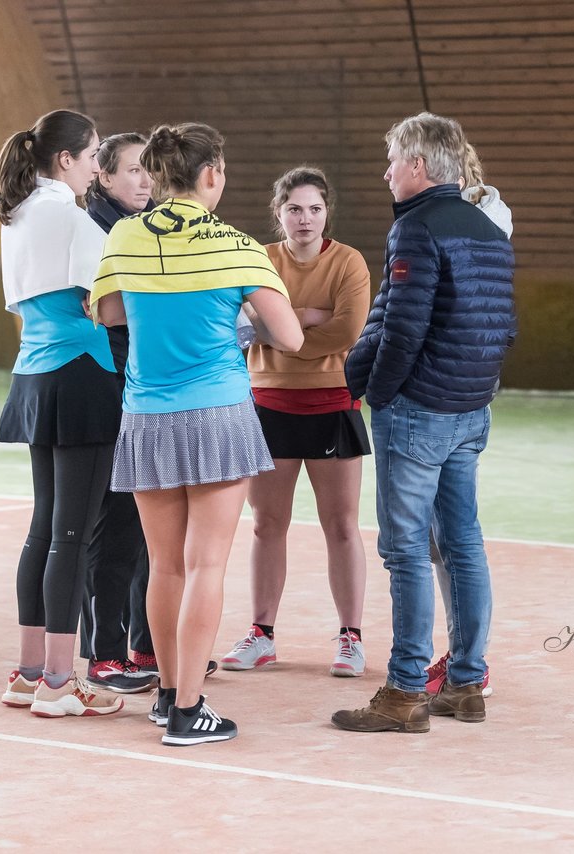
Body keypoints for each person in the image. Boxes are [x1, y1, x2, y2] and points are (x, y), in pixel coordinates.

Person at [92, 123, 303, 746]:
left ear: (157, 175)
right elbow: (289, 337)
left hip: (146, 414)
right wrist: (234, 315)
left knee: (164, 567)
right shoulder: (239, 245)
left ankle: (164, 696)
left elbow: (108, 313)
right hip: (219, 414)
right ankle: (189, 709)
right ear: (210, 173)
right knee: (206, 565)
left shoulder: (125, 234)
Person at [332, 112, 516, 734]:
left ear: (417, 166)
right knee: (462, 544)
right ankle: (466, 683)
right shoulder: (488, 227)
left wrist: (377, 393)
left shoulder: (417, 228)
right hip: (471, 410)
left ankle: (406, 691)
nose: (385, 173)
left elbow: (403, 328)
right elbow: (499, 326)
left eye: (391, 162)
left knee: (405, 550)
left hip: (419, 412)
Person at [0, 109, 124, 719]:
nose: (99, 164)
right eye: (95, 152)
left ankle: (28, 673)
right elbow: (113, 306)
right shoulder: (71, 218)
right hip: (80, 378)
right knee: (71, 533)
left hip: (34, 376)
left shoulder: (16, 215)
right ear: (66, 159)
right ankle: (59, 684)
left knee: (44, 528)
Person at [220, 166, 372, 677]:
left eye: (314, 208)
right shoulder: (258, 260)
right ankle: (261, 635)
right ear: (278, 212)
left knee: (342, 526)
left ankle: (351, 638)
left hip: (333, 404)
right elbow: (240, 326)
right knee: (266, 525)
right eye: (294, 209)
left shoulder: (349, 262)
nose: (304, 218)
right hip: (266, 405)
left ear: (326, 212)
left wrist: (284, 328)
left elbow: (349, 330)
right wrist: (309, 317)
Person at [75, 132, 164, 694]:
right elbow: (105, 314)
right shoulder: (95, 234)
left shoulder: (152, 229)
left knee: (148, 527)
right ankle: (104, 653)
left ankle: (146, 644)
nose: (144, 180)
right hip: (109, 390)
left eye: (149, 170)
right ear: (104, 177)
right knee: (114, 527)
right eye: (132, 170)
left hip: (147, 390)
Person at [425, 140, 513, 698]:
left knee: (445, 539)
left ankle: (464, 662)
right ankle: (465, 662)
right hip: (471, 394)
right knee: (454, 536)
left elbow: (423, 311)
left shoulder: (455, 224)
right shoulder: (491, 221)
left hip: (441, 398)